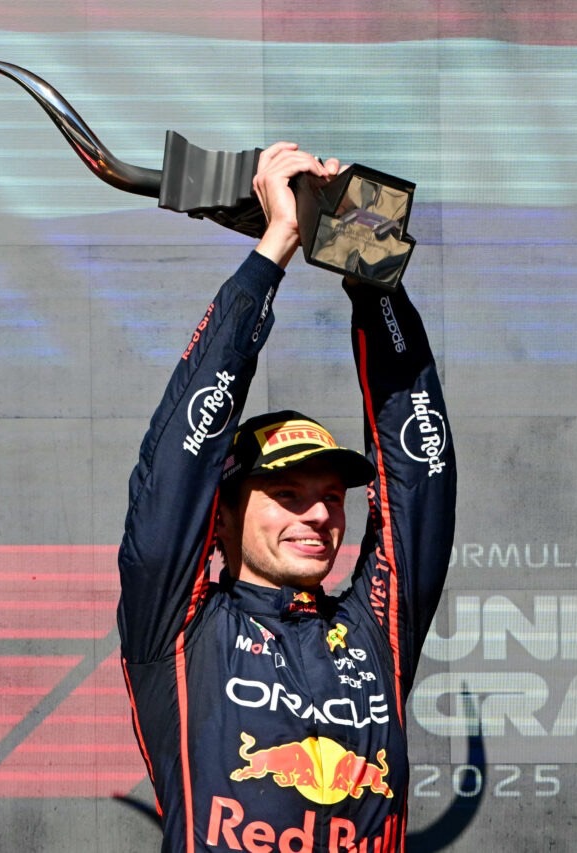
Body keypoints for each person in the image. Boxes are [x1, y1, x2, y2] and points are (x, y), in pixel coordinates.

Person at [117, 142, 456, 853]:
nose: (320, 514)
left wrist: (368, 266)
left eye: (331, 495)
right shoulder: (179, 629)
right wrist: (272, 251)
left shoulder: (375, 633)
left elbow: (420, 472)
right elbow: (176, 470)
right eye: (285, 492)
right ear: (222, 515)